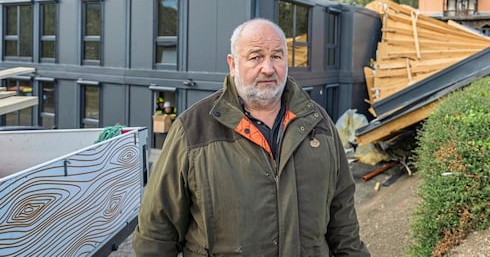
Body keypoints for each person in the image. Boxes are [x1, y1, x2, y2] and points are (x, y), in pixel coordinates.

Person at [133, 18, 369, 256]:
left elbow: (344, 222)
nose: (268, 68)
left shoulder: (319, 123)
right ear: (233, 64)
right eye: (256, 57)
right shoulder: (192, 130)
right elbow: (156, 234)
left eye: (277, 56)